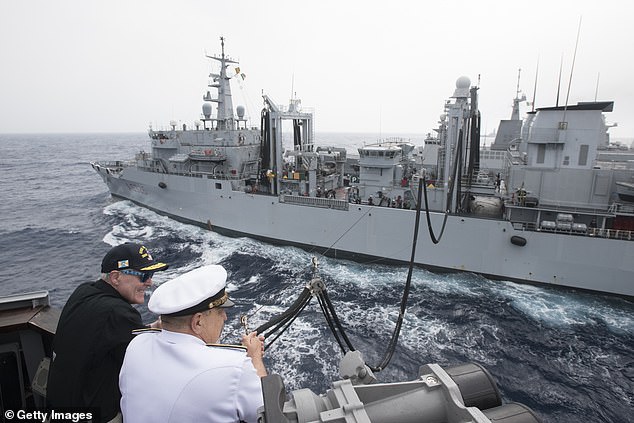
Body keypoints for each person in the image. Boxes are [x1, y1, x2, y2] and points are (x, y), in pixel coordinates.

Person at [119, 264, 267, 423]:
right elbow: (269, 413)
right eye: (220, 311)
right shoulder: (235, 368)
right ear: (197, 322)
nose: (224, 317)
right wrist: (255, 359)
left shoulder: (137, 345)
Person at [47, 243, 169, 423]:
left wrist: (151, 328)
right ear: (115, 277)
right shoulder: (119, 313)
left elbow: (112, 334)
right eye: (144, 275)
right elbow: (148, 366)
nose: (149, 282)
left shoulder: (84, 292)